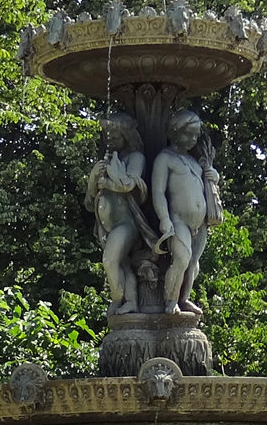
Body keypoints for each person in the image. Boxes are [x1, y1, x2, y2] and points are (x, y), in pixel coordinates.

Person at [151, 108, 222, 315]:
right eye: (187, 133)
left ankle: (184, 299)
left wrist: (213, 175)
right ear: (174, 132)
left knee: (193, 264)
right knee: (182, 258)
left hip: (199, 224)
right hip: (178, 219)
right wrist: (164, 218)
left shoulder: (194, 161)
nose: (192, 139)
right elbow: (158, 192)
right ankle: (170, 301)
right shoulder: (165, 159)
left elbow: (205, 186)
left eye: (195, 135)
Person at [85, 113, 149, 314]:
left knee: (109, 260)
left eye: (116, 136)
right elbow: (89, 201)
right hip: (106, 226)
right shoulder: (106, 161)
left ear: (127, 136)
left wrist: (108, 182)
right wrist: (94, 177)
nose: (110, 140)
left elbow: (131, 184)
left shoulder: (135, 157)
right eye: (108, 136)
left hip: (126, 223)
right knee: (122, 263)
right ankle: (130, 301)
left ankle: (117, 298)